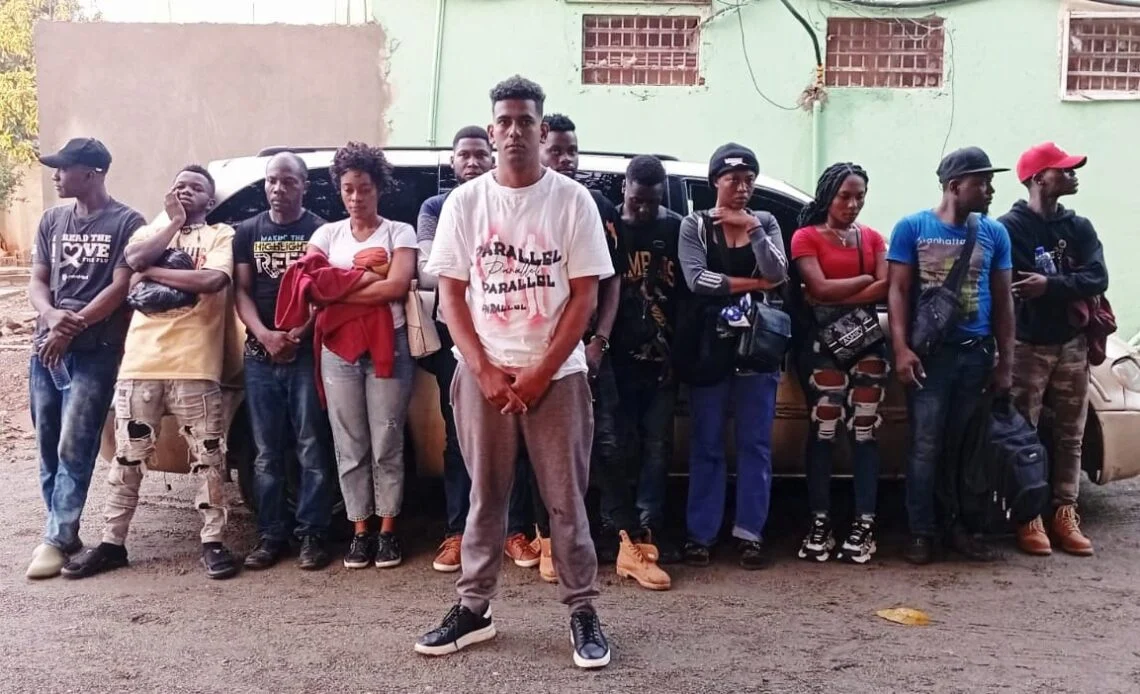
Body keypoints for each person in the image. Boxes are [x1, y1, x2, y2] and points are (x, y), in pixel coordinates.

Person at [415, 76, 613, 669]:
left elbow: (584, 296)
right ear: (492, 128)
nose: (514, 131)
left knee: (565, 501)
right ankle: (473, 609)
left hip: (558, 376)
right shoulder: (466, 202)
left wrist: (540, 372)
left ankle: (582, 610)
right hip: (483, 375)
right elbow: (451, 296)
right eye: (504, 121)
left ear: (542, 129)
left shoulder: (571, 200)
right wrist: (483, 370)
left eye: (526, 121)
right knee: (485, 497)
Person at [62, 165, 239, 580]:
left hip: (195, 364)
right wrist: (173, 223)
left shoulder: (220, 235)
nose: (186, 190)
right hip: (141, 363)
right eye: (179, 185)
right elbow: (135, 259)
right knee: (128, 458)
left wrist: (152, 273)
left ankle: (213, 542)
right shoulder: (149, 232)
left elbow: (212, 280)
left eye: (196, 187)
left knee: (209, 457)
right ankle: (111, 544)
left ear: (210, 200)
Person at [417, 126, 538, 574]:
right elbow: (429, 271)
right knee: (459, 438)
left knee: (515, 434)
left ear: (492, 157)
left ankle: (514, 531)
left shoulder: (509, 201)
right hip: (457, 338)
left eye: (479, 155)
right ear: (452, 161)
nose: (471, 162)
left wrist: (471, 267)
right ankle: (458, 532)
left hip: (510, 333)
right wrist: (483, 267)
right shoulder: (437, 207)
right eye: (463, 155)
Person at [887, 146, 1015, 565]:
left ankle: (958, 527)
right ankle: (921, 531)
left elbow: (1003, 301)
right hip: (930, 357)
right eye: (982, 182)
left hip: (975, 356)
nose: (990, 190)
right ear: (955, 186)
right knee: (925, 445)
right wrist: (901, 349)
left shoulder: (994, 233)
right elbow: (898, 291)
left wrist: (1005, 362)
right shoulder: (912, 227)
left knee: (963, 447)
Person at [24, 138, 145, 579]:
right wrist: (52, 317)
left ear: (92, 173)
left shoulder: (127, 222)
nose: (56, 176)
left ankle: (56, 538)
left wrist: (69, 328)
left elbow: (120, 288)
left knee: (75, 445)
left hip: (95, 352)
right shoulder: (52, 220)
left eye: (64, 168)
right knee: (47, 443)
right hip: (46, 350)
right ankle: (62, 530)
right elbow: (37, 281)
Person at [677, 143, 788, 570]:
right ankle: (700, 534)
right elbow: (697, 280)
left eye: (749, 180)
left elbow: (778, 272)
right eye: (733, 180)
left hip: (758, 347)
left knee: (755, 444)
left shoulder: (767, 221)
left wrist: (753, 230)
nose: (742, 188)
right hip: (710, 346)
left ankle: (749, 533)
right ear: (715, 182)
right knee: (706, 442)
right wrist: (755, 286)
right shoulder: (695, 225)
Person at [307, 142, 417, 570]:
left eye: (365, 188)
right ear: (339, 189)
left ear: (379, 188)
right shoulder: (326, 235)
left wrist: (341, 287)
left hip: (389, 344)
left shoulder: (399, 232)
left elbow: (397, 286)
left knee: (387, 439)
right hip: (338, 349)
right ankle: (360, 531)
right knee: (349, 442)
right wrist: (370, 277)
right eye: (348, 189)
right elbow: (312, 287)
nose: (356, 198)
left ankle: (388, 530)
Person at [1000, 142, 1106, 558]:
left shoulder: (1079, 227)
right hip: (1027, 345)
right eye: (1064, 169)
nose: (1073, 174)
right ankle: (1027, 516)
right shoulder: (1009, 228)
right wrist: (1065, 285)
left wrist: (1050, 286)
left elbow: (1098, 276)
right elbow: (1014, 284)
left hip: (1072, 343)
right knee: (1022, 434)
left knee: (1071, 435)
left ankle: (1065, 513)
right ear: (1037, 178)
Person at [538, 112, 629, 579]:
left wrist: (600, 341)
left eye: (572, 150)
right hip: (538, 352)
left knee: (606, 443)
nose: (566, 159)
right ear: (539, 149)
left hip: (590, 350)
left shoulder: (596, 204)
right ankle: (550, 541)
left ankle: (613, 538)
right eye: (556, 150)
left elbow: (612, 282)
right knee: (545, 450)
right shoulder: (526, 204)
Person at [234, 152, 334, 572]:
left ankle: (313, 534)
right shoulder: (248, 231)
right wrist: (264, 335)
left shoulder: (320, 231)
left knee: (311, 446)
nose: (278, 189)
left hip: (304, 353)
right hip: (260, 356)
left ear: (304, 186)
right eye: (272, 181)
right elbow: (241, 291)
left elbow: (324, 293)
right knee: (265, 452)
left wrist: (297, 335)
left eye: (288, 181)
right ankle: (271, 534)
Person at [790, 163, 889, 565]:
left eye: (859, 196)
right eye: (844, 196)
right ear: (827, 195)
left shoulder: (873, 237)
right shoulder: (805, 236)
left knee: (864, 431)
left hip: (867, 345)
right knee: (824, 428)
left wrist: (833, 294)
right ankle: (820, 521)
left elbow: (885, 285)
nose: (852, 204)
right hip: (821, 348)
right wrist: (863, 282)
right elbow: (816, 286)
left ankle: (864, 524)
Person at [606, 154, 690, 585]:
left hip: (662, 360)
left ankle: (648, 524)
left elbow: (688, 298)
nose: (643, 209)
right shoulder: (609, 227)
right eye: (637, 200)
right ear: (625, 189)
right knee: (618, 446)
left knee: (658, 446)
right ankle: (621, 532)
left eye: (652, 202)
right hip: (617, 359)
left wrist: (679, 355)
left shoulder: (675, 228)